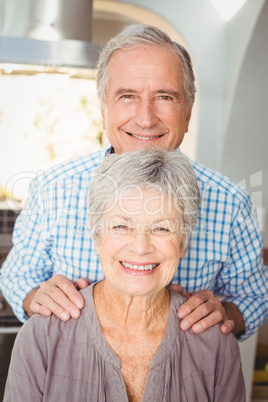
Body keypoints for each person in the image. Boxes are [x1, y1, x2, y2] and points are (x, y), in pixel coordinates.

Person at [0, 24, 267, 341]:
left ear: (188, 113)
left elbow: (255, 296)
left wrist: (227, 315)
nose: (145, 118)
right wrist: (34, 297)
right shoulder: (52, 188)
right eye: (127, 96)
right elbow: (17, 275)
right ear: (104, 109)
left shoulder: (230, 202)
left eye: (165, 96)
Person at [4, 148, 246, 402]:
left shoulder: (217, 344)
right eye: (121, 226)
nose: (140, 247)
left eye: (162, 227)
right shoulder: (41, 336)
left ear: (183, 243)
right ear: (97, 237)